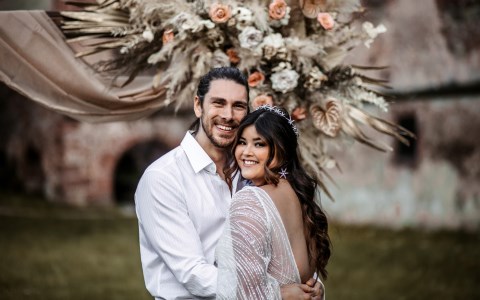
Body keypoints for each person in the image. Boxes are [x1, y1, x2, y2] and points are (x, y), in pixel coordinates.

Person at [135, 67, 322, 299]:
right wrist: (272, 294)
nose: (228, 115)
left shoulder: (251, 168)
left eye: (239, 106)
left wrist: (308, 284)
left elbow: (283, 241)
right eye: (218, 103)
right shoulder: (163, 178)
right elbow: (193, 273)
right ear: (197, 105)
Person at [216, 105, 331, 299]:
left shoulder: (250, 202)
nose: (246, 152)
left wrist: (279, 295)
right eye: (242, 142)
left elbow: (243, 294)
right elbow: (307, 277)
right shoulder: (298, 194)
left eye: (259, 144)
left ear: (282, 149)